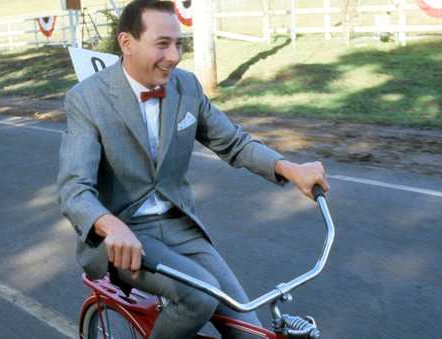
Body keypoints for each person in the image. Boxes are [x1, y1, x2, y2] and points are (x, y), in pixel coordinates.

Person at [57, 0, 329, 337]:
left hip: (181, 229)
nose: (174, 56)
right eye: (162, 44)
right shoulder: (86, 99)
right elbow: (74, 190)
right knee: (199, 297)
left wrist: (289, 168)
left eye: (178, 43)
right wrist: (109, 225)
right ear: (127, 43)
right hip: (120, 238)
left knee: (249, 331)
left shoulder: (186, 86)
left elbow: (234, 142)